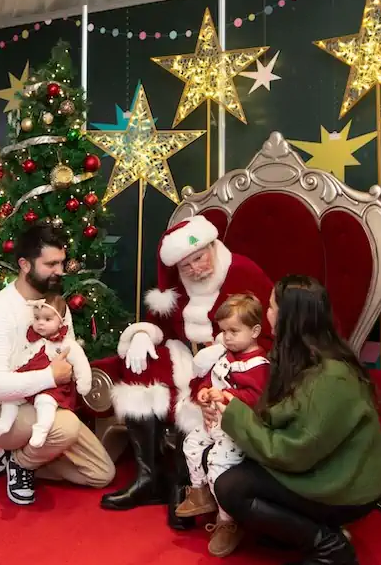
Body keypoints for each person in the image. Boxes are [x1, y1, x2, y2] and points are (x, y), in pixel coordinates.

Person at [98, 213, 274, 523]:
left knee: (198, 395)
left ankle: (184, 485)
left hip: (232, 361)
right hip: (187, 355)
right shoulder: (178, 284)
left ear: (212, 247)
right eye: (185, 265)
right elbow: (161, 325)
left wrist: (224, 349)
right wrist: (142, 335)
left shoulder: (242, 271)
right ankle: (149, 478)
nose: (195, 269)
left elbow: (268, 332)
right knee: (140, 368)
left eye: (199, 258)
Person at [217, 276, 381, 565]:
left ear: (289, 317)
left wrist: (235, 415)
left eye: (272, 307)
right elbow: (283, 413)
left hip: (343, 485)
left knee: (232, 488)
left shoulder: (331, 376)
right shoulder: (300, 355)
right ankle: (296, 531)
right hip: (323, 467)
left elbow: (292, 452)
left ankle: (331, 549)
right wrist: (231, 404)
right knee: (241, 466)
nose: (267, 313)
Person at [0, 223, 114, 506]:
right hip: (0, 408)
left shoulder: (57, 306)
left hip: (46, 402)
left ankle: (17, 456)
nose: (60, 271)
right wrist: (50, 376)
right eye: (50, 264)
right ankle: (21, 464)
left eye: (61, 262)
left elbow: (67, 356)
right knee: (67, 427)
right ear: (25, 264)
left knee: (102, 474)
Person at [172, 293, 270, 557]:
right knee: (191, 444)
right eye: (224, 331)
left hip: (237, 430)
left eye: (234, 331)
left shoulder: (258, 365)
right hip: (214, 422)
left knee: (217, 462)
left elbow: (256, 398)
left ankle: (227, 520)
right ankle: (200, 492)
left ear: (255, 331)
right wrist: (204, 393)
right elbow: (210, 380)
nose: (227, 337)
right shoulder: (227, 356)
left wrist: (226, 395)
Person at [0, 293, 92, 448]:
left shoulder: (66, 344)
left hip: (52, 388)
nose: (40, 323)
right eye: (37, 318)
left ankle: (41, 429)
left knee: (45, 402)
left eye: (47, 319)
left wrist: (83, 382)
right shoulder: (31, 340)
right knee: (11, 398)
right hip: (29, 380)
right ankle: (5, 422)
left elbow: (80, 362)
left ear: (60, 322)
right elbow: (21, 357)